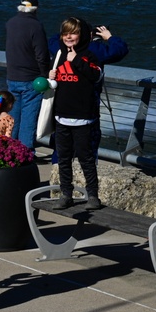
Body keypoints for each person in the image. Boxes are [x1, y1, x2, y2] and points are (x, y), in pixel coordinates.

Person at [47, 22, 129, 161]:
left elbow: (52, 41)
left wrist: (68, 30)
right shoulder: (95, 49)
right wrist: (109, 37)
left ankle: (60, 176)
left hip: (63, 107)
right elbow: (120, 50)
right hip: (87, 108)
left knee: (62, 150)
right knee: (88, 148)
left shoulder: (60, 48)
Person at [48, 17, 104, 210]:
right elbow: (54, 82)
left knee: (85, 158)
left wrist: (77, 61)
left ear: (82, 35)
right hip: (61, 115)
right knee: (63, 157)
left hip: (83, 117)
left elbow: (96, 76)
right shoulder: (58, 55)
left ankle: (93, 195)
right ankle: (66, 193)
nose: (68, 36)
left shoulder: (89, 55)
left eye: (73, 32)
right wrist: (50, 76)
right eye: (65, 33)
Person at [4, 0, 50, 150]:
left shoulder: (10, 23)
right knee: (28, 120)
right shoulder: (35, 26)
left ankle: (9, 151)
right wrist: (45, 74)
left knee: (12, 118)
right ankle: (25, 154)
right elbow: (41, 55)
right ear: (36, 10)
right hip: (31, 79)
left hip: (12, 77)